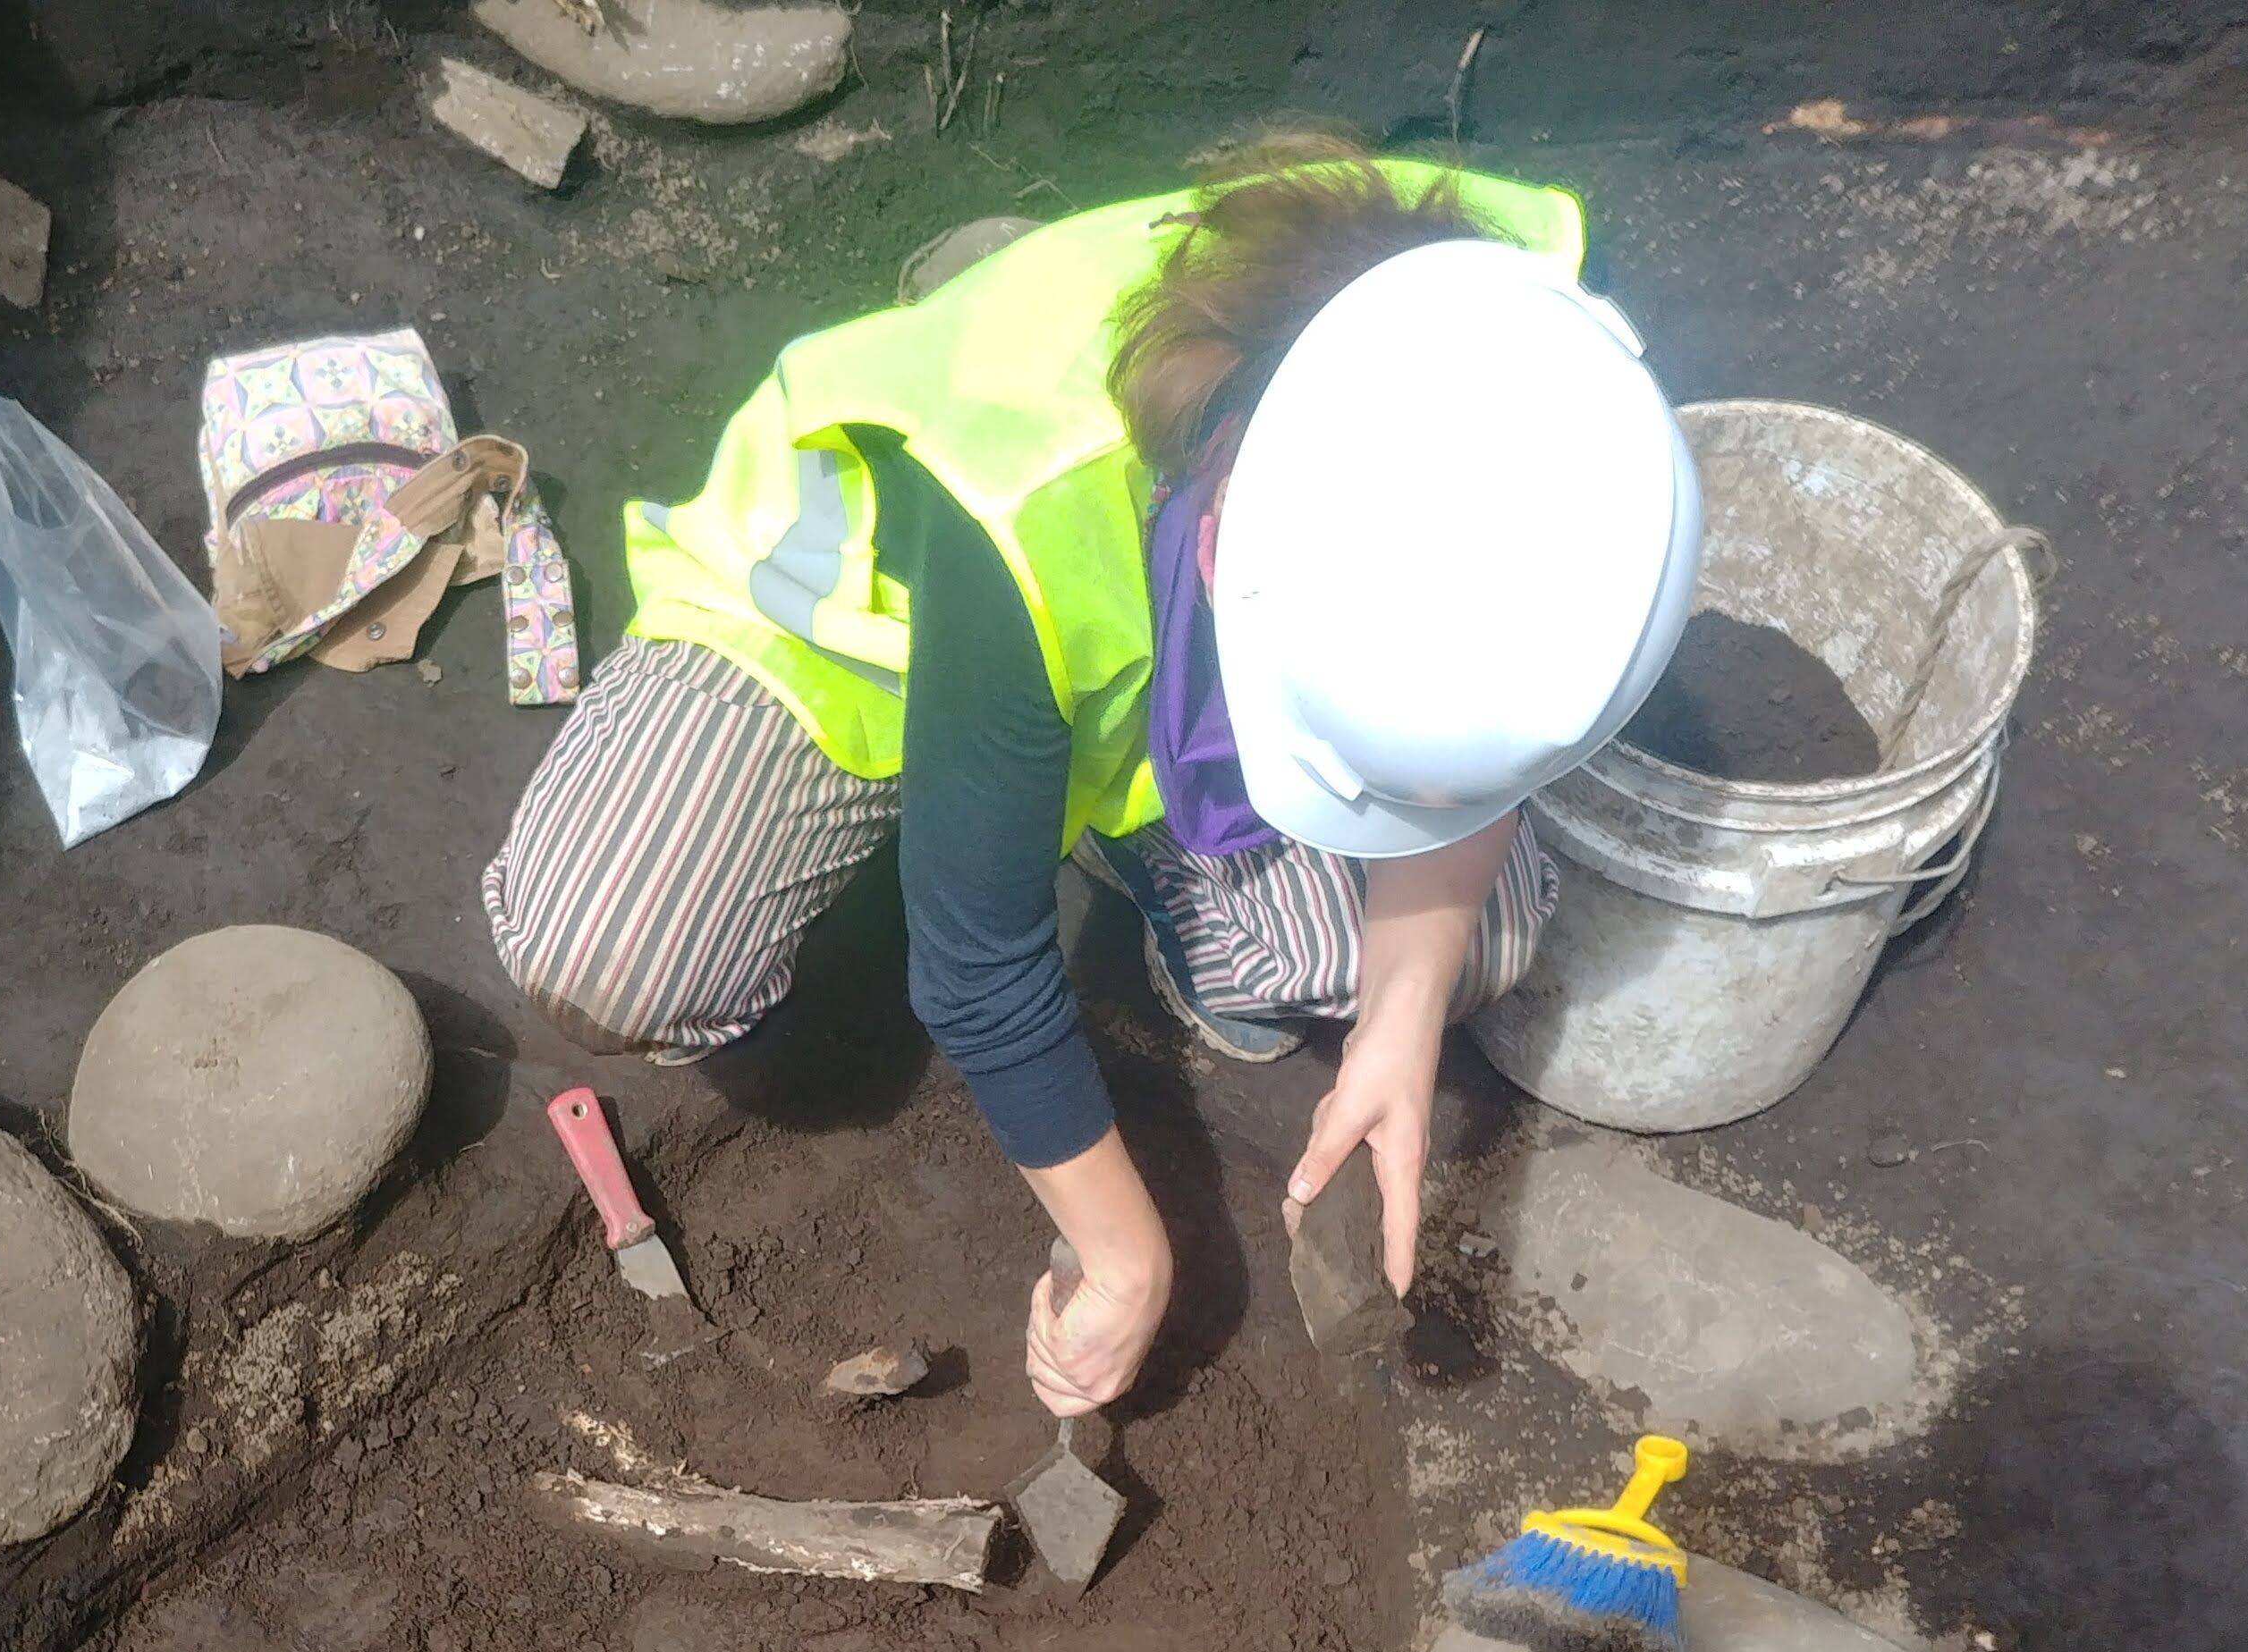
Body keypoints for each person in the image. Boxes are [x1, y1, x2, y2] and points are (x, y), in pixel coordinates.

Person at [483, 136, 1701, 1416]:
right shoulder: (1029, 493)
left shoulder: (1553, 363)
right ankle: (970, 300)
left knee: (1464, 942)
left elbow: (1480, 779)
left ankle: (1118, 833)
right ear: (1225, 539)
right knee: (612, 948)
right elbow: (977, 970)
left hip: (1111, 670)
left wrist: (1400, 1023)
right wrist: (1127, 1257)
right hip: (861, 638)